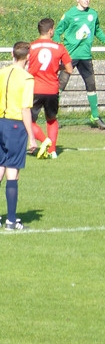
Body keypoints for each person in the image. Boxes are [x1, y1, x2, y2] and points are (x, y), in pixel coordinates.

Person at [54, 0, 105, 129]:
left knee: (91, 85)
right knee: (60, 86)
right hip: (70, 57)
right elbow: (57, 32)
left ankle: (95, 116)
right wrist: (58, 48)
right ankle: (53, 117)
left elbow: (97, 30)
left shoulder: (93, 14)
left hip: (85, 56)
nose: (87, 0)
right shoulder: (70, 14)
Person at [1, 42, 38, 230]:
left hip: (0, 122)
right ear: (28, 57)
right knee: (12, 172)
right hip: (15, 126)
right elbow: (25, 109)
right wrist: (32, 137)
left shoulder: (2, 72)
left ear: (12, 54)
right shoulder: (27, 78)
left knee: (0, 167)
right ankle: (11, 220)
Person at [28, 18, 73, 159]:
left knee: (28, 121)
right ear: (50, 31)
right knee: (51, 119)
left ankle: (44, 140)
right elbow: (69, 69)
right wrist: (56, 67)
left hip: (34, 88)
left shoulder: (31, 46)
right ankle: (52, 151)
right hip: (52, 89)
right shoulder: (59, 47)